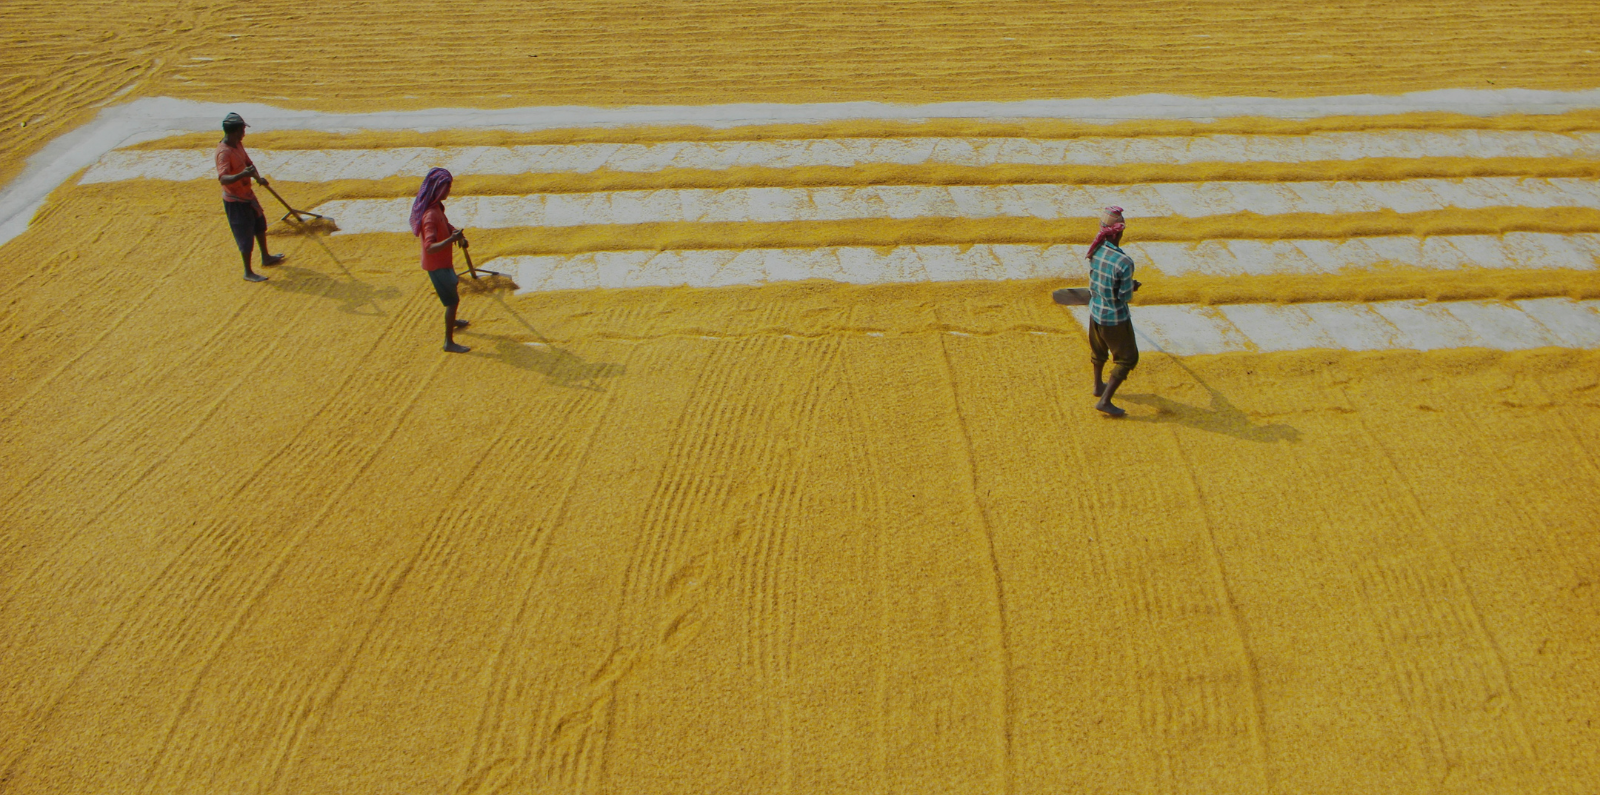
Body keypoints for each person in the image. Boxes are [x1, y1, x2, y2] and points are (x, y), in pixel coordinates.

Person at [1086, 206, 1141, 417]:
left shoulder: (1095, 251)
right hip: (1114, 317)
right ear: (1119, 232)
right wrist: (1132, 286)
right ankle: (1105, 400)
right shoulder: (1124, 262)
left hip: (1095, 311)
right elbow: (1124, 296)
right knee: (1127, 358)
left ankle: (1098, 385)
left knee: (1099, 351)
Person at [215, 112, 283, 281]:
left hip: (247, 195)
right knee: (245, 235)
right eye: (242, 130)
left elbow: (249, 164)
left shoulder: (238, 145)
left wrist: (258, 178)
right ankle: (248, 272)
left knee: (260, 225)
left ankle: (266, 257)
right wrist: (240, 175)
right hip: (236, 200)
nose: (244, 133)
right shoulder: (223, 153)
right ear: (234, 131)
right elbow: (223, 178)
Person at [411, 167, 471, 353]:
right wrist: (452, 240)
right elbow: (429, 248)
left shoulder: (436, 208)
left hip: (444, 262)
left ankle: (452, 320)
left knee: (453, 291)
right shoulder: (429, 216)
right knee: (452, 302)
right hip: (437, 266)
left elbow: (445, 224)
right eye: (446, 187)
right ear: (437, 189)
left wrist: (457, 235)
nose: (449, 191)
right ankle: (448, 342)